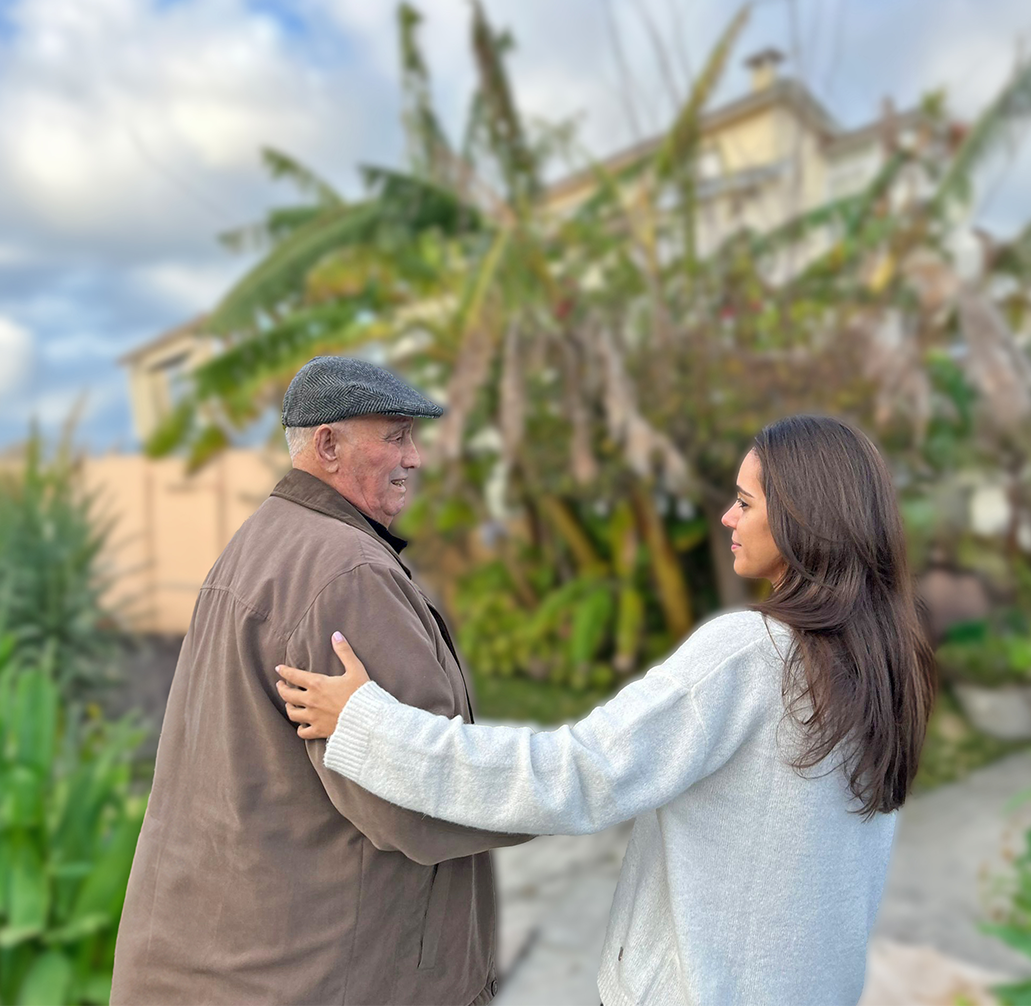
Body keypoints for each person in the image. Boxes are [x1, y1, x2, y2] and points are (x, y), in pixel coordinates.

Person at [275, 414, 938, 1006]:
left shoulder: (751, 654)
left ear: (804, 518)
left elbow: (575, 774)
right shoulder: (881, 662)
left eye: (744, 502)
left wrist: (369, 724)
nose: (728, 519)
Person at [111, 357, 529, 1006]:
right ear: (327, 444)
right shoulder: (346, 572)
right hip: (318, 976)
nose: (414, 458)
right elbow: (413, 801)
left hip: (220, 967)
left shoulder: (263, 540)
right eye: (395, 436)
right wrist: (572, 788)